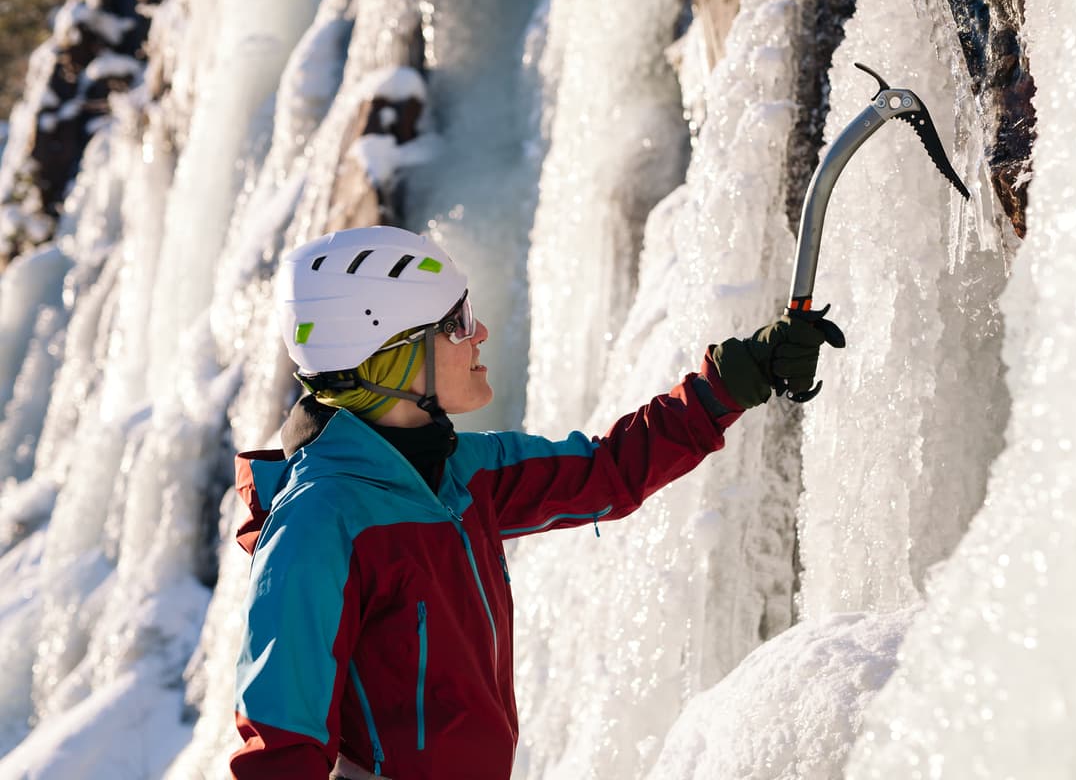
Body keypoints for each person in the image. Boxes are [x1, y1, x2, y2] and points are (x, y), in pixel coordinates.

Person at [230, 226, 843, 779]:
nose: (479, 333)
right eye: (456, 322)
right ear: (391, 352)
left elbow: (607, 470)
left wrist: (732, 380)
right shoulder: (319, 523)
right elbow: (280, 748)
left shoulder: (460, 470)